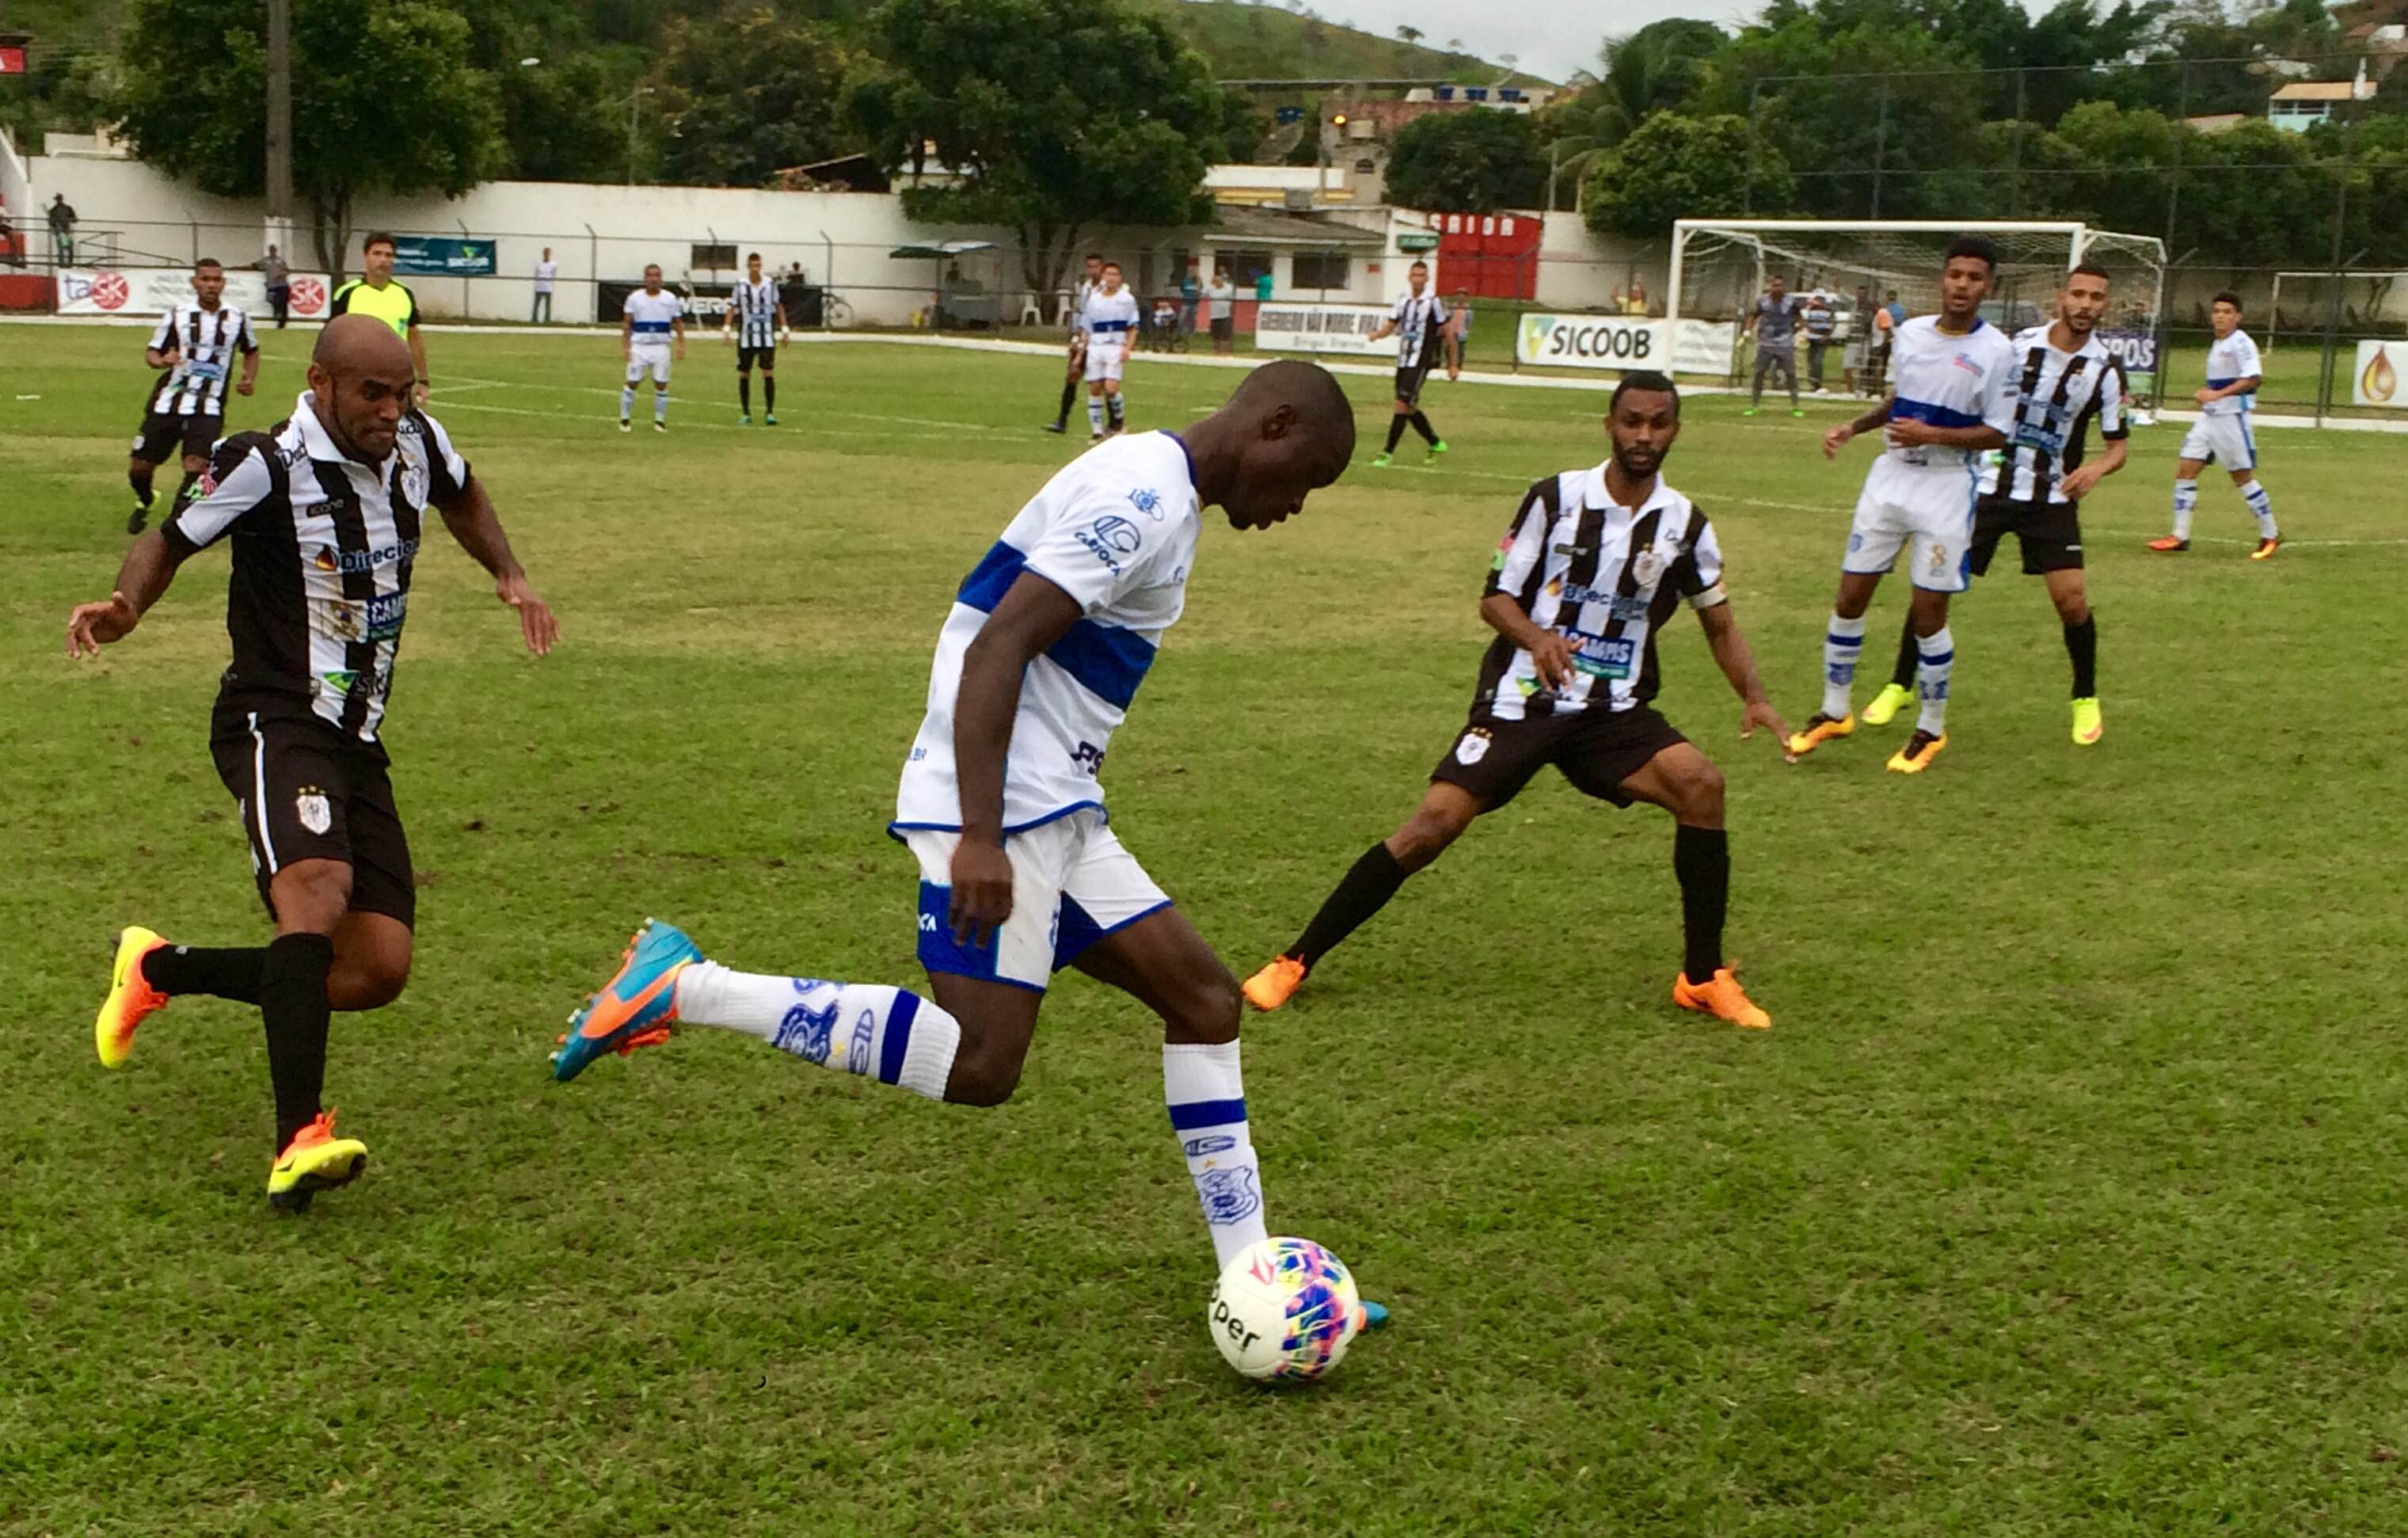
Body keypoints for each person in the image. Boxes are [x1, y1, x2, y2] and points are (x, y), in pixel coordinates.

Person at [547, 363, 1376, 1315]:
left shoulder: (1168, 496)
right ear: (1271, 425)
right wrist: (978, 835)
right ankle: (683, 986)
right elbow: (999, 644)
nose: (1295, 506)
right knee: (981, 1064)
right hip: (1001, 804)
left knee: (1203, 1001)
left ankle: (1254, 1276)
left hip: (1055, 803)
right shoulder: (1144, 494)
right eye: (1303, 480)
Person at [71, 314, 557, 1212]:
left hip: (357, 733)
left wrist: (510, 574)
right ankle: (300, 1138)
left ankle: (156, 970)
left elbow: (463, 493)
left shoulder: (417, 441)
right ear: (320, 383)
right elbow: (170, 540)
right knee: (315, 888)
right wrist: (128, 605)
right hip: (273, 714)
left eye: (403, 391)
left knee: (374, 969)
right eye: (373, 392)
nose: (391, 409)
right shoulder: (264, 461)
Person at [1240, 371, 1786, 1030]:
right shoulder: (1553, 499)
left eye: (1658, 423)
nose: (1644, 435)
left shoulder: (1684, 525)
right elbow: (1494, 598)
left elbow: (1719, 622)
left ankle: (1701, 977)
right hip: (1522, 700)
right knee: (1430, 829)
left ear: (1674, 430)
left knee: (1701, 784)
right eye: (1632, 421)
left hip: (1611, 712)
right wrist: (1537, 639)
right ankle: (1295, 959)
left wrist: (1754, 697)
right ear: (1609, 426)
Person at [1863, 263, 2128, 748]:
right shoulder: (2017, 346)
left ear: (2105, 305)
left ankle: (2084, 697)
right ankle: (1899, 685)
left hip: (2050, 497)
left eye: (2096, 298)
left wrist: (2094, 469)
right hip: (1985, 487)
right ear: (2060, 298)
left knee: (2071, 601)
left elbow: (2118, 446)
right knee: (1934, 587)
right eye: (2078, 295)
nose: (2086, 305)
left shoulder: (2105, 369)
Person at [1786, 236, 2015, 777]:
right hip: (1888, 480)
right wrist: (1854, 426)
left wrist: (1928, 434)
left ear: (1988, 286)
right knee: (1849, 597)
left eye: (1973, 277)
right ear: (1942, 278)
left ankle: (1930, 729)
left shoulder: (1997, 351)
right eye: (1954, 274)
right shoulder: (1910, 333)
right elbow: (1900, 401)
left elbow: (1998, 434)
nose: (1961, 285)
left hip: (1945, 489)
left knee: (1928, 614)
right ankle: (1834, 711)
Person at [125, 257, 261, 536]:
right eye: (205, 279)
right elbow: (152, 353)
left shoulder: (237, 317)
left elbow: (252, 349)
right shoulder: (177, 314)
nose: (211, 285)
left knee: (197, 466)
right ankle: (147, 499)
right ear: (194, 282)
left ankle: (177, 522)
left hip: (209, 404)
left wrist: (248, 377)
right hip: (169, 400)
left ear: (223, 283)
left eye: (217, 280)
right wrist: (163, 360)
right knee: (140, 468)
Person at [2149, 291, 2279, 559]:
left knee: (2241, 478)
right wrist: (2207, 393)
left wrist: (2217, 395)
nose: (2220, 316)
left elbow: (2253, 378)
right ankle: (2180, 536)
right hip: (2210, 419)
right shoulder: (2218, 344)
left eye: (2227, 312)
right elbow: (2221, 382)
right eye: (2217, 311)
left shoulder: (2241, 342)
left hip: (2231, 419)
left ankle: (2270, 534)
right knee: (2185, 470)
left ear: (2238, 317)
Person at [1364, 259, 1456, 468]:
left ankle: (1387, 453)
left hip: (1421, 360)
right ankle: (1435, 442)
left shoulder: (1433, 302)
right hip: (1404, 359)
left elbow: (1448, 332)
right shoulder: (1403, 300)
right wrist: (1377, 335)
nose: (1417, 280)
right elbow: (1391, 324)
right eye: (1414, 275)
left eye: (1421, 276)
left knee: (1401, 405)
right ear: (1409, 277)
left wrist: (1453, 364)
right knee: (1408, 407)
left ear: (1427, 278)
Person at [329, 233, 430, 406]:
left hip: (397, 378)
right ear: (365, 257)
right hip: (359, 378)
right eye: (377, 254)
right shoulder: (347, 294)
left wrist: (423, 380)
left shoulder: (404, 294)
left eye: (388, 255)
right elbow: (331, 340)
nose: (383, 260)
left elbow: (413, 337)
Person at [618, 263, 687, 433]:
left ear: (661, 279)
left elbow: (678, 323)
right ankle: (625, 418)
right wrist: (626, 347)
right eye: (650, 276)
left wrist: (681, 345)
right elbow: (627, 323)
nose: (654, 279)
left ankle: (659, 421)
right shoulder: (635, 298)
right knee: (633, 382)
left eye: (657, 276)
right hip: (640, 346)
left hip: (661, 347)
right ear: (645, 278)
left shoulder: (670, 299)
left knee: (661, 384)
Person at [723, 250, 789, 426]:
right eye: (753, 265)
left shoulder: (770, 284)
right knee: (744, 373)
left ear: (761, 266)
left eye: (758, 265)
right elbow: (733, 307)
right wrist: (727, 329)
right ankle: (746, 413)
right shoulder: (741, 285)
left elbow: (778, 306)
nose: (756, 269)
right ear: (748, 266)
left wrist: (784, 329)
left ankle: (770, 412)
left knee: (768, 372)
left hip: (766, 336)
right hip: (746, 336)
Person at [1077, 261, 1140, 440]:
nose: (1111, 278)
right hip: (1096, 345)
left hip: (1115, 345)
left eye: (1115, 275)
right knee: (1095, 387)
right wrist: (1081, 351)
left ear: (1120, 278)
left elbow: (1133, 327)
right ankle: (1096, 431)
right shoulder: (1094, 299)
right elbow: (1086, 328)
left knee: (1111, 388)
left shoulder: (1127, 300)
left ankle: (1118, 422)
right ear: (1103, 277)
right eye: (1108, 274)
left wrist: (1128, 348)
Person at [1044, 253, 1105, 435]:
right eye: (1090, 266)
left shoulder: (1106, 290)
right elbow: (1083, 314)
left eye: (1096, 266)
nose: (1093, 270)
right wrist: (1076, 337)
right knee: (1072, 375)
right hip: (1084, 338)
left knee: (1101, 384)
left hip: (1099, 341)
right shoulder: (1086, 287)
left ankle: (1111, 425)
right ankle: (1062, 420)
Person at [1742, 276, 1804, 418]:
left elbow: (1798, 316)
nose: (1778, 289)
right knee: (1759, 373)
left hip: (1785, 342)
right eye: (1775, 285)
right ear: (1770, 287)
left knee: (1790, 374)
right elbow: (1753, 316)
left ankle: (1795, 406)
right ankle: (1755, 405)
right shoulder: (1762, 301)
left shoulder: (1790, 301)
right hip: (1766, 341)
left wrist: (1801, 329)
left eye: (1780, 286)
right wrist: (1747, 330)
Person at [1801, 287, 1837, 393]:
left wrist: (1826, 336)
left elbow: (1832, 324)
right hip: (1811, 339)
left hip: (1822, 339)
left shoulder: (1829, 311)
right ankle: (1812, 382)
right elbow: (1808, 322)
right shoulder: (1811, 310)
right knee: (1810, 361)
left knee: (1817, 361)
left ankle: (1817, 383)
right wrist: (1808, 331)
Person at [1843, 284, 1873, 395]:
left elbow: (1870, 324)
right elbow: (1842, 294)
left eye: (1863, 294)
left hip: (1864, 341)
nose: (1860, 296)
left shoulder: (1869, 307)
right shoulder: (1853, 305)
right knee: (1847, 365)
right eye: (1859, 293)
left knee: (1863, 367)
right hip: (1852, 340)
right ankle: (1850, 390)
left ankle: (1861, 389)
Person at [1873, 289, 1904, 389]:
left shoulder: (1898, 308)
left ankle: (1888, 382)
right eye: (1890, 296)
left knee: (1889, 360)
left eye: (1893, 296)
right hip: (1885, 334)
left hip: (1893, 333)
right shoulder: (1886, 308)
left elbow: (1899, 321)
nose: (1891, 298)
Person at [257, 246, 292, 329]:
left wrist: (282, 274)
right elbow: (256, 265)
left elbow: (287, 271)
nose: (273, 252)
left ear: (276, 251)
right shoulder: (266, 260)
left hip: (282, 284)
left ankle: (282, 324)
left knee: (283, 303)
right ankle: (277, 314)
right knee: (270, 299)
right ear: (269, 251)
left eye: (274, 250)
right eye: (271, 250)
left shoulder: (280, 261)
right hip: (272, 285)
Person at [1207, 265, 1236, 355]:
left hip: (1225, 315)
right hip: (1214, 315)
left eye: (1219, 280)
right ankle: (1216, 351)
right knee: (1215, 335)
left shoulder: (1228, 288)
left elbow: (1232, 298)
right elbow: (1201, 293)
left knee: (1225, 334)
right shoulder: (1211, 289)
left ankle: (1225, 351)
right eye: (1215, 281)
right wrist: (1209, 284)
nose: (1217, 282)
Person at [48, 192, 76, 268]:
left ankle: (69, 264)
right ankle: (62, 264)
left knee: (69, 248)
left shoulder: (68, 208)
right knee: (62, 248)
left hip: (67, 230)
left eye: (59, 199)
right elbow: (50, 222)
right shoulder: (53, 210)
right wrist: (56, 224)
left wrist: (70, 220)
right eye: (58, 199)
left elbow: (75, 219)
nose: (59, 200)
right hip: (60, 231)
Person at [532, 248, 558, 324]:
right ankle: (535, 319)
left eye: (548, 253)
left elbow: (553, 274)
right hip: (539, 286)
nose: (546, 255)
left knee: (548, 305)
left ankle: (547, 319)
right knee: (537, 304)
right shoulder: (538, 263)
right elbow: (536, 274)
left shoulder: (553, 264)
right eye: (545, 253)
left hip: (548, 287)